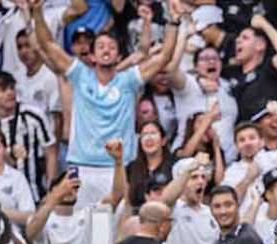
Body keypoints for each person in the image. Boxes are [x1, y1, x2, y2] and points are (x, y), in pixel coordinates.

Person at [30, 0, 181, 209]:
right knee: (83, 229)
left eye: (111, 47)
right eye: (100, 46)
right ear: (92, 56)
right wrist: (37, 12)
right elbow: (48, 44)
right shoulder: (79, 75)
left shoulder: (128, 80)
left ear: (119, 55)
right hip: (81, 167)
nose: (106, 50)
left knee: (115, 231)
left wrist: (173, 21)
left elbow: (164, 57)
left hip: (117, 168)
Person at [0, 72, 57, 204]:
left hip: (33, 193)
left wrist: (51, 191)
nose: (10, 93)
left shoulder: (34, 116)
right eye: (3, 89)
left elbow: (51, 153)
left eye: (12, 88)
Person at [222, 14, 277, 121]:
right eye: (238, 37)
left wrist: (264, 25)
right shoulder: (231, 72)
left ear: (260, 45)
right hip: (240, 133)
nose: (238, 41)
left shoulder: (267, 68)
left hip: (265, 131)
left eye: (245, 38)